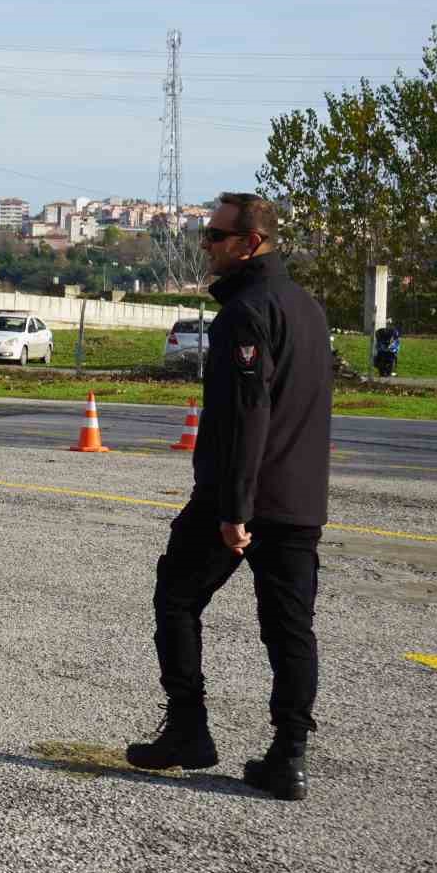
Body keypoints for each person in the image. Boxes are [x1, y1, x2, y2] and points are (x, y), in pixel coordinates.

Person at [125, 192, 332, 801]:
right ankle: (289, 757)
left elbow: (249, 413)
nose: (206, 245)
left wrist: (235, 509)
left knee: (177, 598)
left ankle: (189, 731)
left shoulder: (248, 311)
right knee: (290, 629)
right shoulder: (307, 308)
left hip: (239, 499)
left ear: (251, 244)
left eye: (215, 236)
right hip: (298, 499)